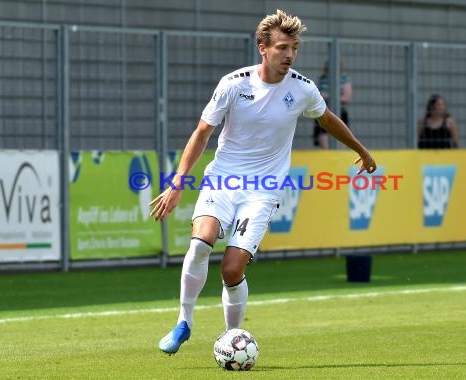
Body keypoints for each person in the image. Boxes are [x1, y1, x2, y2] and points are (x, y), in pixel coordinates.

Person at [149, 9, 376, 355]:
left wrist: (363, 150)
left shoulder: (303, 89)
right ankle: (184, 322)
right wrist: (178, 182)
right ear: (263, 47)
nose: (289, 55)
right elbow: (202, 133)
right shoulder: (234, 84)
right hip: (222, 182)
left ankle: (232, 338)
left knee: (232, 268)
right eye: (283, 47)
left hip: (263, 190)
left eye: (294, 48)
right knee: (200, 244)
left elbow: (328, 120)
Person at [313, 61, 353, 149]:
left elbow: (346, 97)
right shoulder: (322, 78)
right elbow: (315, 96)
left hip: (340, 111)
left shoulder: (344, 78)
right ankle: (327, 155)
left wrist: (329, 97)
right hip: (323, 111)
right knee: (322, 133)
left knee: (343, 134)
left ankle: (340, 155)